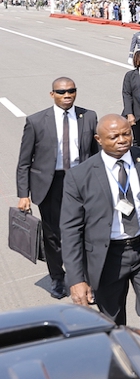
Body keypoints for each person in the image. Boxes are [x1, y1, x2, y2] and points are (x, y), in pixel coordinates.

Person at [61, 114, 140, 339]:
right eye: (114, 136)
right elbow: (70, 231)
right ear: (99, 139)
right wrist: (76, 279)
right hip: (108, 258)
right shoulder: (79, 176)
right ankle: (120, 356)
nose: (122, 140)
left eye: (126, 133)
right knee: (112, 320)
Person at [16, 77, 99, 299]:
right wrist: (23, 194)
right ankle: (57, 278)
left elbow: (96, 155)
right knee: (53, 236)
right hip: (49, 185)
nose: (67, 95)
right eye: (61, 92)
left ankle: (85, 280)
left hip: (80, 182)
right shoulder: (36, 121)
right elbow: (24, 161)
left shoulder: (88, 117)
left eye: (71, 91)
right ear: (52, 94)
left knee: (84, 232)